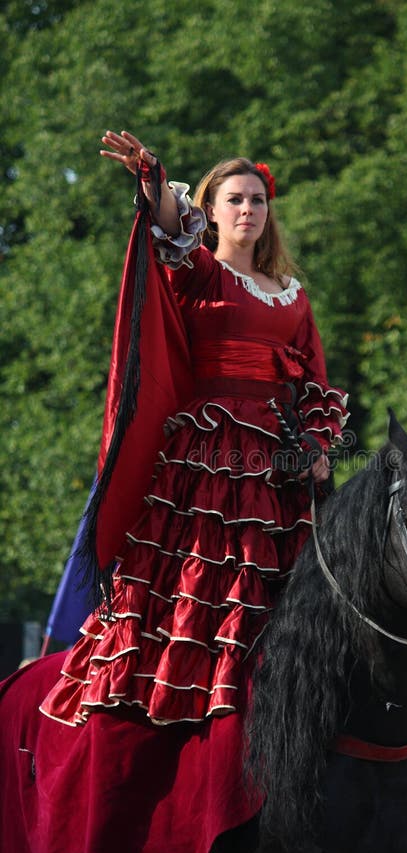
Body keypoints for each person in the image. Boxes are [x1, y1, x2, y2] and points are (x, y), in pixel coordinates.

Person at [40, 130, 348, 728]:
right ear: (211, 210)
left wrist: (315, 443)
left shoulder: (293, 296)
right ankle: (182, 701)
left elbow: (315, 383)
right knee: (200, 576)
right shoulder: (201, 271)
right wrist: (152, 178)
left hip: (279, 462)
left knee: (289, 583)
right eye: (235, 199)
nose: (249, 210)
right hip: (210, 452)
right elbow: (169, 224)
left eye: (258, 200)